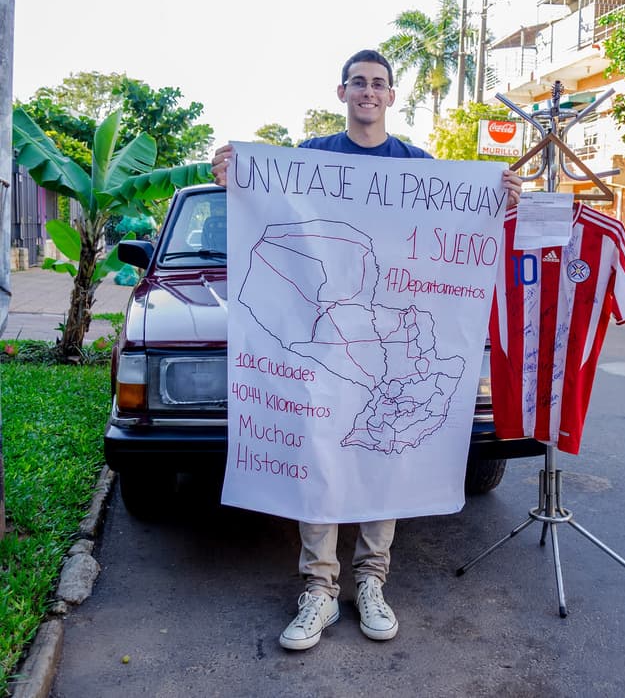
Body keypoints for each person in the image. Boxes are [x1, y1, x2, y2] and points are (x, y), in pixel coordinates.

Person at [212, 49, 521, 651]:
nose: (368, 92)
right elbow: (265, 207)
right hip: (320, 346)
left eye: (379, 83)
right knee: (322, 461)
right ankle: (320, 591)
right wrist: (234, 174)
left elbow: (450, 227)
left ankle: (372, 580)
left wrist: (497, 193)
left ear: (391, 95)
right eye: (359, 82)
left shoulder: (416, 165)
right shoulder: (310, 159)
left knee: (385, 455)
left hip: (388, 340)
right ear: (342, 91)